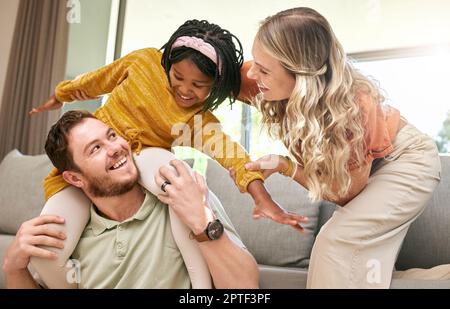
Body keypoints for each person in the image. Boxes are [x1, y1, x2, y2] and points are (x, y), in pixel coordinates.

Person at [28, 19, 306, 288]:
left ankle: (199, 288)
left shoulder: (196, 120)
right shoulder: (142, 63)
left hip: (147, 159)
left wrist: (262, 197)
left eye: (198, 86)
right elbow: (96, 80)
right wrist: (61, 94)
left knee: (175, 180)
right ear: (168, 64)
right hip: (97, 168)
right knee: (43, 254)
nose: (185, 90)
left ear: (215, 86)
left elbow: (232, 154)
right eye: (178, 77)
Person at [238, 7, 442, 288]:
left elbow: (343, 194)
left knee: (337, 242)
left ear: (300, 74)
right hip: (377, 163)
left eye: (263, 70)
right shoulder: (269, 82)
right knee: (362, 268)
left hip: (408, 160)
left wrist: (287, 166)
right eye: (255, 63)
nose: (253, 74)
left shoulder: (352, 112)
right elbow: (211, 74)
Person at [2, 110, 259, 288]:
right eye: (96, 149)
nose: (115, 148)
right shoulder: (70, 236)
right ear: (74, 179)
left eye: (111, 136)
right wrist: (14, 267)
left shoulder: (184, 197)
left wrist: (203, 223)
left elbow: (247, 291)